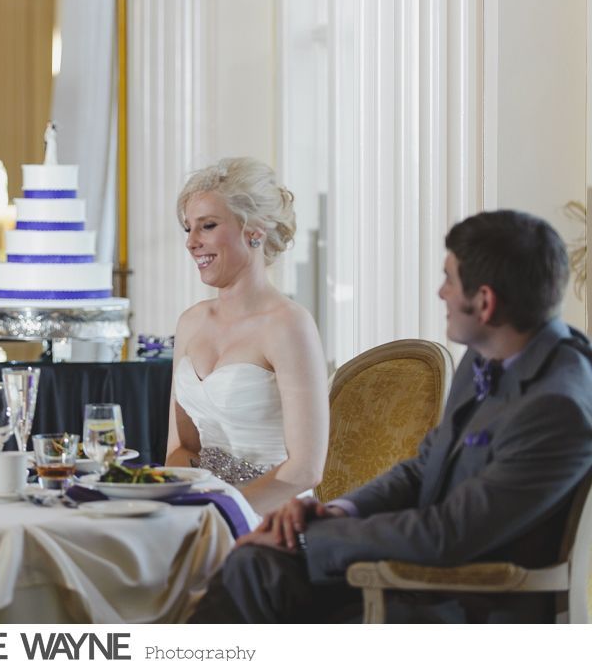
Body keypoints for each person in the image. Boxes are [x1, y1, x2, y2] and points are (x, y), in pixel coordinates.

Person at [190, 209, 592, 623]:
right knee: (255, 565)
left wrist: (313, 536)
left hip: (466, 604)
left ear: (485, 302)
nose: (440, 293)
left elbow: (447, 534)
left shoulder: (558, 407)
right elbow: (423, 468)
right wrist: (337, 511)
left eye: (449, 280)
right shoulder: (486, 355)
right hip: (416, 576)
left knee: (255, 576)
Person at [166, 157, 329, 516]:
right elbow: (180, 449)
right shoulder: (190, 322)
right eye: (188, 229)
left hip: (274, 518)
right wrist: (180, 508)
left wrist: (226, 512)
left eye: (207, 226)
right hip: (203, 511)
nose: (191, 242)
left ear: (254, 231)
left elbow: (305, 469)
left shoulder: (289, 325)